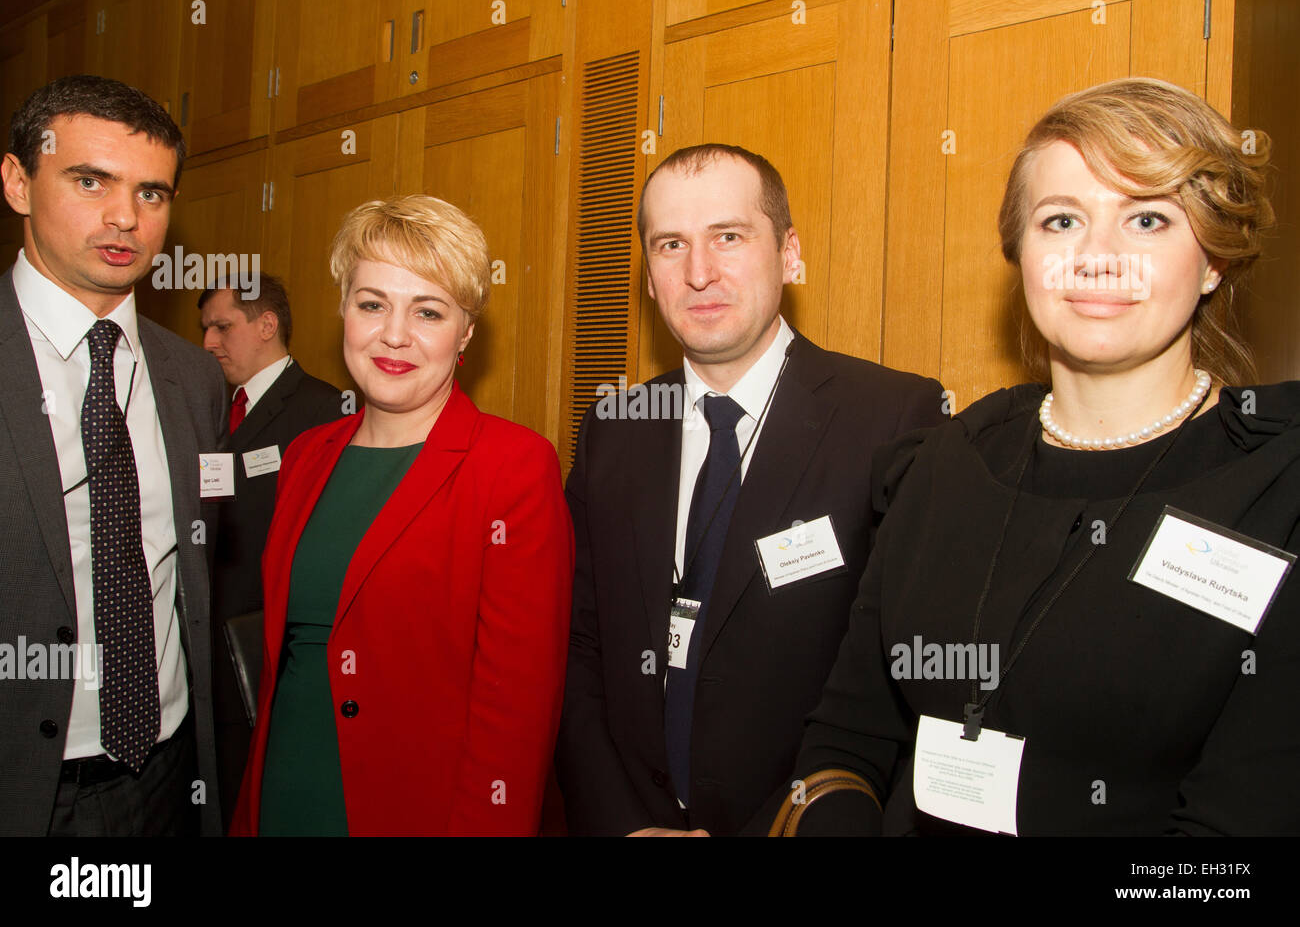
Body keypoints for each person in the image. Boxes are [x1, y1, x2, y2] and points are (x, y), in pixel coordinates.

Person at [778, 77, 1298, 836]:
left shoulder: (1278, 493)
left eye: (1147, 218)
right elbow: (845, 741)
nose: (1098, 257)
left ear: (1213, 261)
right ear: (1021, 254)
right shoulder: (944, 462)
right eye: (1061, 220)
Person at [556, 144, 946, 836]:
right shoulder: (614, 426)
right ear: (648, 277)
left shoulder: (892, 418)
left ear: (790, 254)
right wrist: (619, 823)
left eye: (728, 237)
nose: (699, 273)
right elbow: (580, 647)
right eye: (670, 245)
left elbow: (901, 681)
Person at [229, 195, 573, 836]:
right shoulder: (307, 456)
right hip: (280, 795)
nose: (394, 335)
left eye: (429, 311)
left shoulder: (513, 467)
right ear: (343, 310)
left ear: (466, 332)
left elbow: (517, 715)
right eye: (372, 304)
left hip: (421, 813)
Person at [0, 75, 227, 835]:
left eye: (152, 193)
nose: (125, 216)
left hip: (169, 774)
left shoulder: (193, 376)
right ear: (18, 182)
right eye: (90, 180)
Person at [198, 273, 342, 830]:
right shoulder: (207, 405)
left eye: (222, 326)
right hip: (203, 650)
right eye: (205, 328)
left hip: (273, 654)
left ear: (266, 325)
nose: (208, 342)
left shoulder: (324, 410)